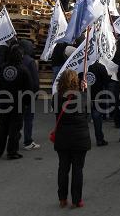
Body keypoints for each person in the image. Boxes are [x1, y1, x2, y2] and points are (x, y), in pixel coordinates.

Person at [53, 69, 91, 208]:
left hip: (62, 136)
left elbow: (57, 115)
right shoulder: (82, 96)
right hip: (80, 137)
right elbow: (87, 115)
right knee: (78, 169)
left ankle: (62, 198)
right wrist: (84, 91)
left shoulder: (56, 97)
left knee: (63, 168)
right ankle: (77, 199)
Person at [0, 45, 31, 159]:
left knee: (3, 126)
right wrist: (27, 102)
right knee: (15, 128)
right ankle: (12, 151)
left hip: (4, 101)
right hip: (18, 103)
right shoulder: (23, 70)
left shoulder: (2, 68)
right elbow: (28, 88)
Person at [19, 40, 41, 151]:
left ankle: (14, 139)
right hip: (28, 95)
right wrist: (35, 94)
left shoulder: (15, 59)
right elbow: (35, 81)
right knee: (28, 119)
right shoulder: (30, 61)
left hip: (15, 95)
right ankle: (28, 141)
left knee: (17, 118)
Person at [84, 60, 110, 146]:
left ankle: (84, 139)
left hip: (86, 95)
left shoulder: (84, 66)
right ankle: (99, 139)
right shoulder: (100, 67)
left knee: (83, 119)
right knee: (97, 118)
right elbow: (106, 82)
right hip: (98, 96)